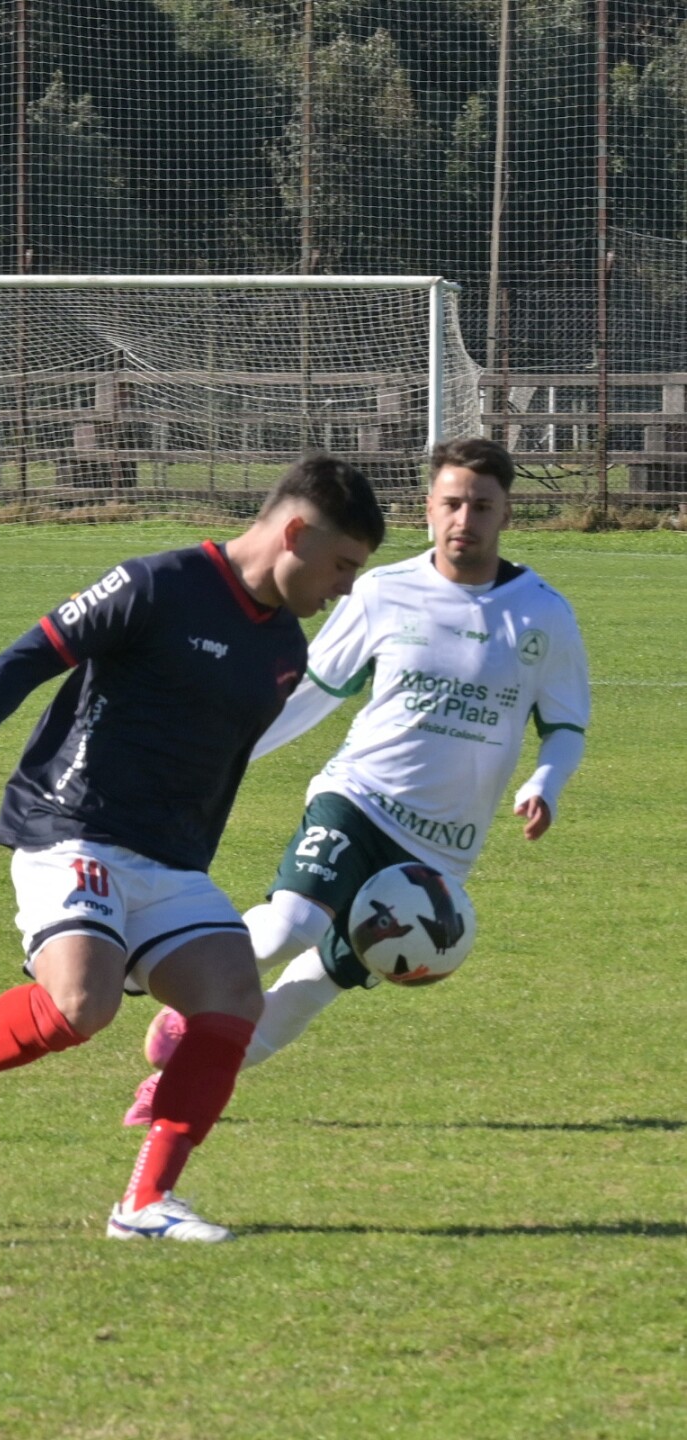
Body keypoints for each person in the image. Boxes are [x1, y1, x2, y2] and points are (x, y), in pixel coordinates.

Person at [0, 453, 386, 1243]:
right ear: (294, 532)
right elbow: (27, 655)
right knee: (79, 1007)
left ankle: (144, 1205)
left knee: (233, 997)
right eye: (341, 565)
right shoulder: (156, 584)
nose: (343, 587)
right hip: (70, 828)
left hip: (167, 865)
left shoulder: (285, 652)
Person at [123, 436, 590, 1124]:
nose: (465, 519)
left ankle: (174, 1087)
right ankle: (146, 964)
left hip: (443, 850)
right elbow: (311, 690)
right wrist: (223, 752)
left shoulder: (543, 614)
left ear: (505, 513)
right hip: (359, 801)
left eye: (482, 506)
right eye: (452, 503)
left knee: (313, 985)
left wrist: (544, 783)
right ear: (428, 509)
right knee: (287, 928)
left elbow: (565, 725)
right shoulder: (381, 591)